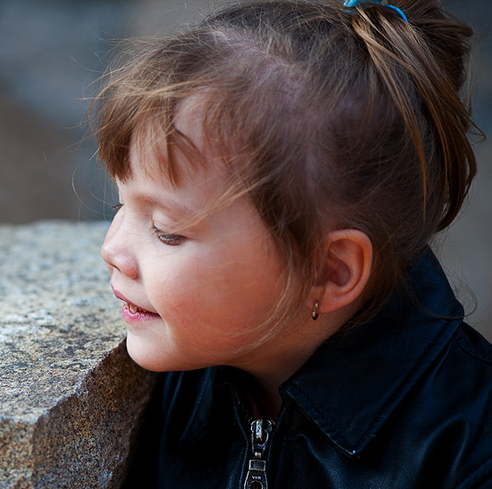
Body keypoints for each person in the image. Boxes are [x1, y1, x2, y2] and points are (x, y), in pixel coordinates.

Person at [92, 0, 492, 487]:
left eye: (166, 230)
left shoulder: (467, 453)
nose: (112, 250)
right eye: (120, 205)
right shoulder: (181, 383)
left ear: (329, 271)